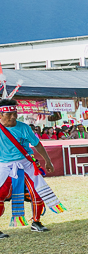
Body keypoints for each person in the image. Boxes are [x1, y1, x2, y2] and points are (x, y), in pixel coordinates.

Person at [0, 97, 63, 236]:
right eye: (9, 114)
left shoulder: (23, 127)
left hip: (25, 163)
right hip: (3, 165)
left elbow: (37, 144)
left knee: (38, 192)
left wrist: (48, 160)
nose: (13, 117)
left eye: (15, 113)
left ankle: (36, 222)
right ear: (0, 115)